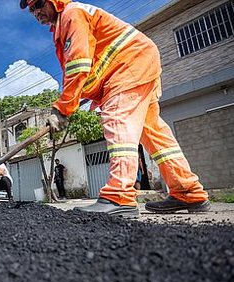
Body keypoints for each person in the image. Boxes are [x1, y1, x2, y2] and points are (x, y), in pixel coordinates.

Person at [20, 0, 209, 216]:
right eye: (32, 9)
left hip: (128, 66)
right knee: (154, 134)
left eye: (39, 4)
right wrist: (77, 98)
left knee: (118, 120)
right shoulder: (63, 24)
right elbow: (88, 67)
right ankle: (188, 191)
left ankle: (119, 196)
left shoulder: (73, 14)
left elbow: (79, 65)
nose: (36, 12)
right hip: (136, 63)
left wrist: (63, 107)